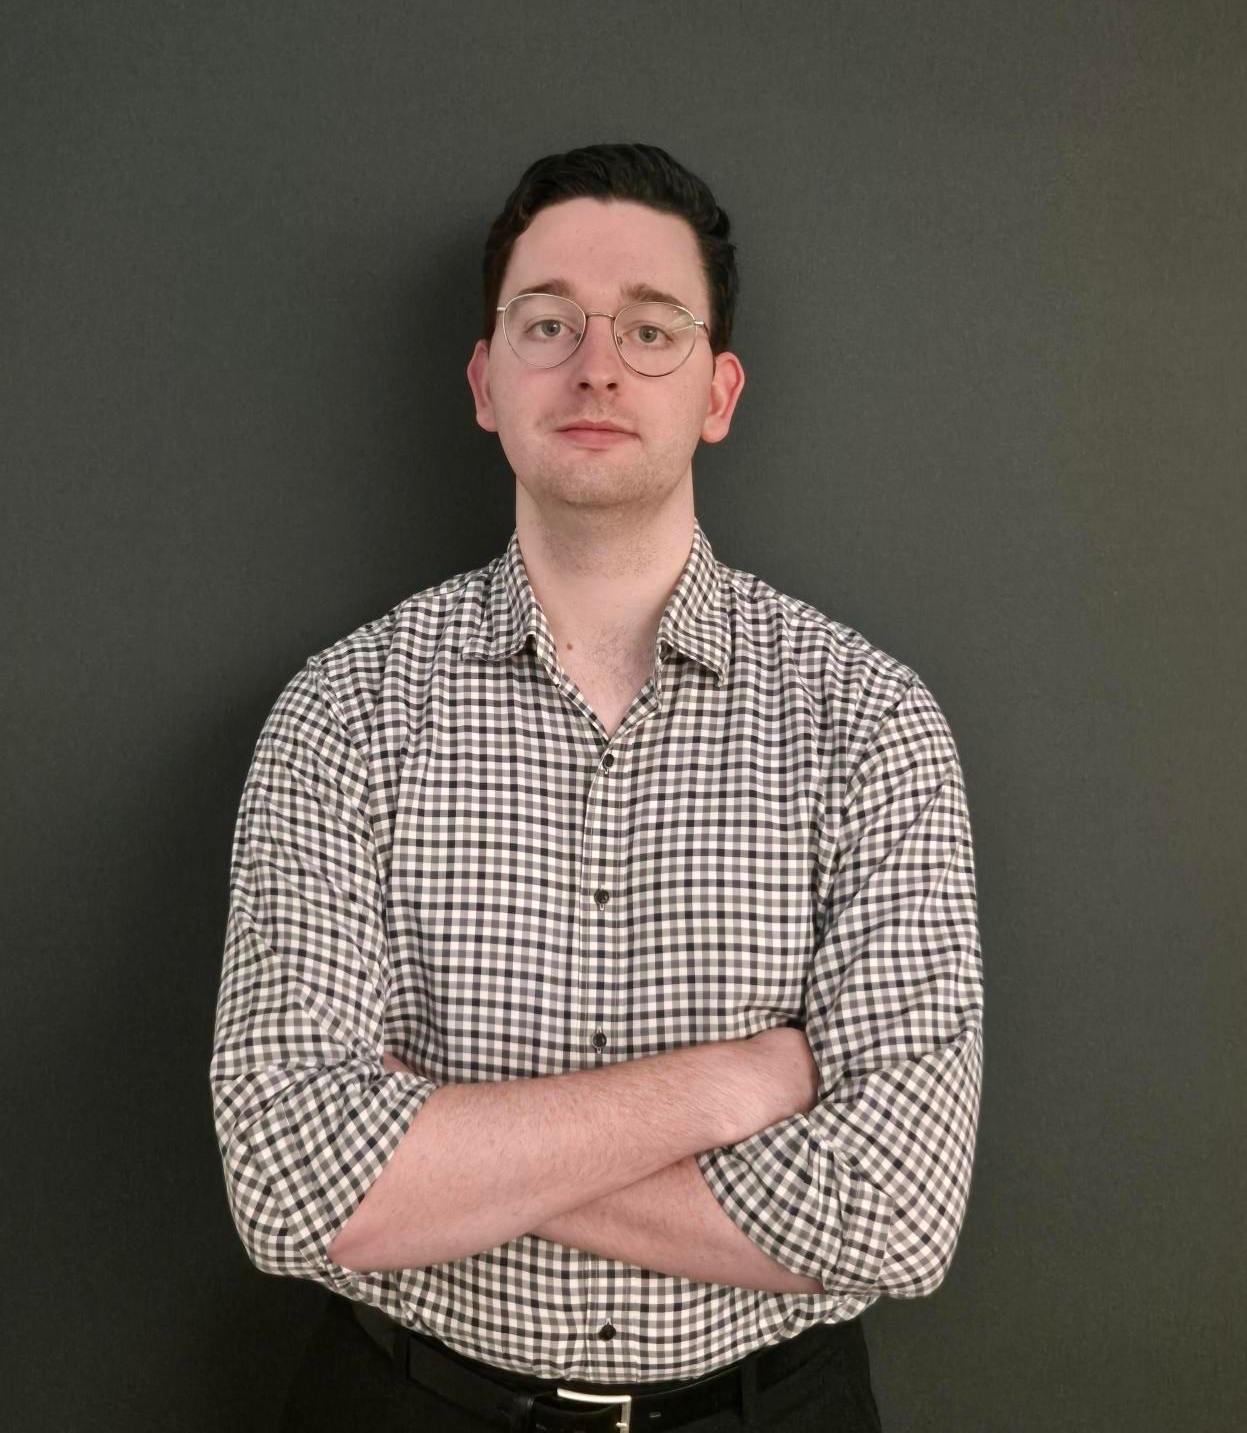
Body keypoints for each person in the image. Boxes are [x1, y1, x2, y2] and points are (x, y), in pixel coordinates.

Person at [210, 142, 983, 1433]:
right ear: (484, 380)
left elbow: (899, 1215)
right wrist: (726, 1089)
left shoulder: (871, 722)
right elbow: (289, 1189)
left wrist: (426, 1145)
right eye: (548, 321)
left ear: (720, 393)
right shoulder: (342, 711)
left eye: (652, 326)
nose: (598, 364)